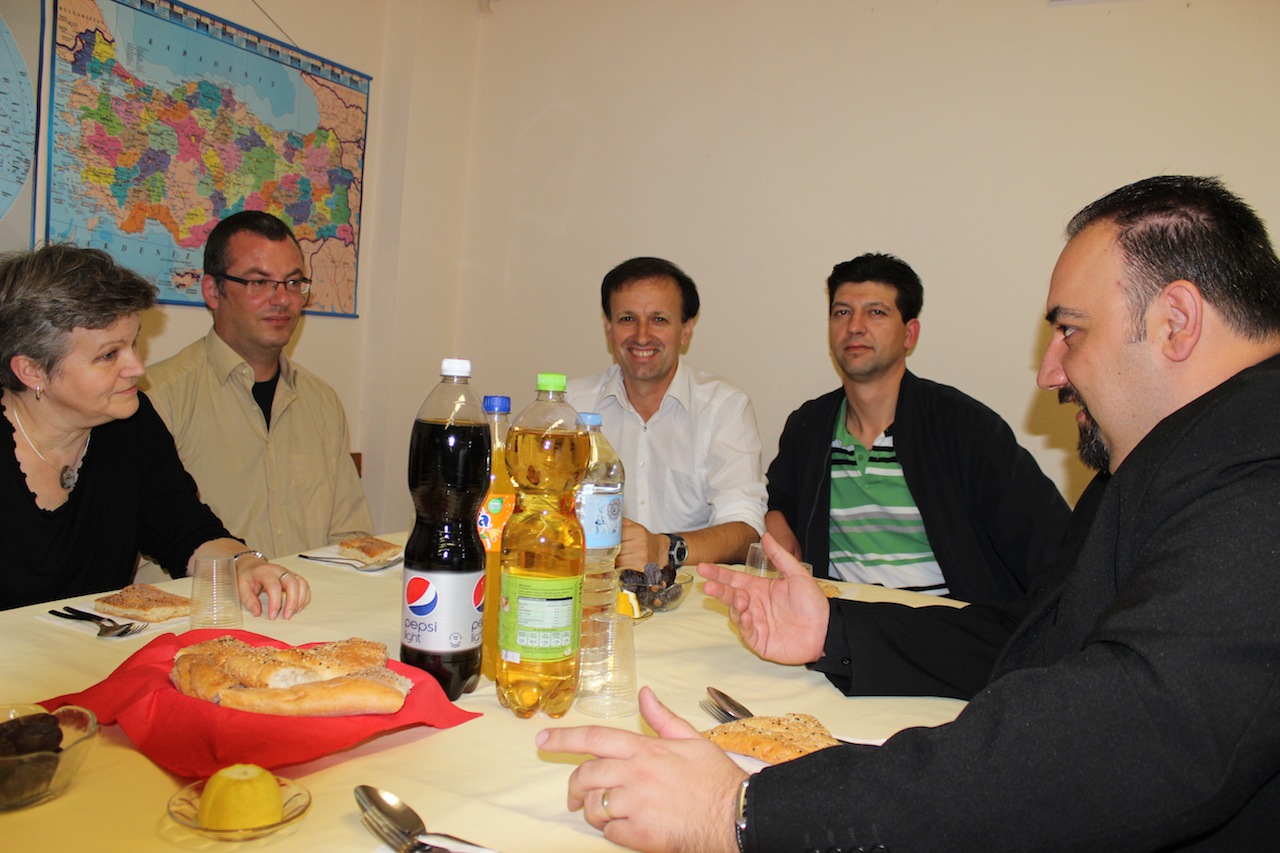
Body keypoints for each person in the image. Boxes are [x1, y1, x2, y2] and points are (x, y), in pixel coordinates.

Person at [538, 175, 1280, 851]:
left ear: (1177, 321)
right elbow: (1034, 642)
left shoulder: (1255, 484)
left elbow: (1120, 740)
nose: (1049, 370)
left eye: (1071, 330)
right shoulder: (1172, 466)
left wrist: (741, 812)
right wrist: (833, 630)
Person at [0, 244, 310, 617]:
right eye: (109, 355)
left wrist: (244, 563)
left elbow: (183, 528)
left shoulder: (130, 422)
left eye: (133, 344)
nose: (137, 368)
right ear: (32, 371)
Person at [767, 253, 1070, 604]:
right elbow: (777, 497)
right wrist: (775, 518)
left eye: (876, 312)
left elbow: (1050, 543)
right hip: (839, 624)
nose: (854, 326)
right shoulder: (809, 427)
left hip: (943, 626)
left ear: (909, 334)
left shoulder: (964, 428)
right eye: (842, 312)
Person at [144, 211, 373, 559]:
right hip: (203, 594)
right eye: (259, 282)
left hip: (310, 593)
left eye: (293, 282)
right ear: (213, 291)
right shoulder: (157, 398)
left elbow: (351, 539)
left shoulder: (322, 402)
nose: (282, 299)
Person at [567, 257, 767, 569]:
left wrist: (664, 549)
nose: (641, 335)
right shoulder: (570, 408)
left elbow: (746, 531)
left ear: (685, 330)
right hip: (593, 588)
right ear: (609, 327)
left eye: (658, 319)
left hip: (690, 593)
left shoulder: (724, 408)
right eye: (627, 319)